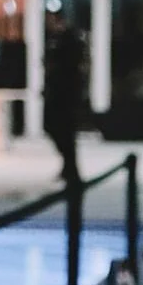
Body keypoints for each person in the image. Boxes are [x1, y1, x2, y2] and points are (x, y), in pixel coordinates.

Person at [43, 11, 86, 183]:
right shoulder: (58, 40)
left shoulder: (69, 41)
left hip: (65, 96)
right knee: (59, 131)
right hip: (60, 94)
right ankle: (69, 167)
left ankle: (71, 169)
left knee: (65, 133)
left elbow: (69, 67)